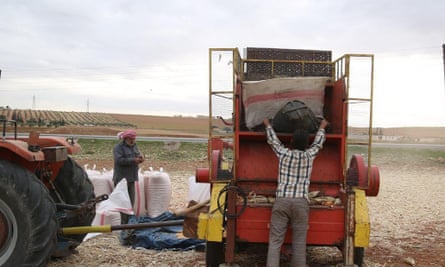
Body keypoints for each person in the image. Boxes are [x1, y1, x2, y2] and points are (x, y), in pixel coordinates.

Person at [264, 118, 328, 267]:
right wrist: (322, 127)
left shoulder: (284, 154)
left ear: (291, 142)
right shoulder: (309, 156)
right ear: (306, 144)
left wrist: (267, 125)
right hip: (301, 203)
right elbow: (318, 144)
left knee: (275, 242)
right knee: (299, 244)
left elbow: (273, 141)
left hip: (282, 201)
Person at [113, 129, 144, 210]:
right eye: (131, 139)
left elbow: (138, 155)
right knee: (121, 201)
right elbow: (119, 160)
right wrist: (134, 160)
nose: (132, 141)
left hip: (131, 178)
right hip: (121, 179)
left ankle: (129, 219)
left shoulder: (135, 146)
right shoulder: (118, 147)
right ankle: (121, 220)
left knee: (131, 201)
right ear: (125, 139)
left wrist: (141, 158)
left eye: (134, 139)